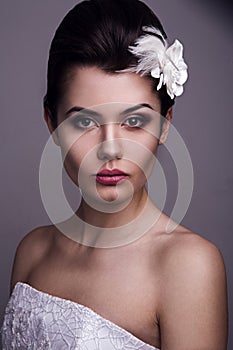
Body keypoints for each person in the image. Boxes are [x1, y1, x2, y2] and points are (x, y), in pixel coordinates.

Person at [1, 0, 228, 349]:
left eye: (134, 122)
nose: (110, 149)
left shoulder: (189, 267)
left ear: (165, 125)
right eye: (85, 122)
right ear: (52, 124)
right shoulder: (32, 252)